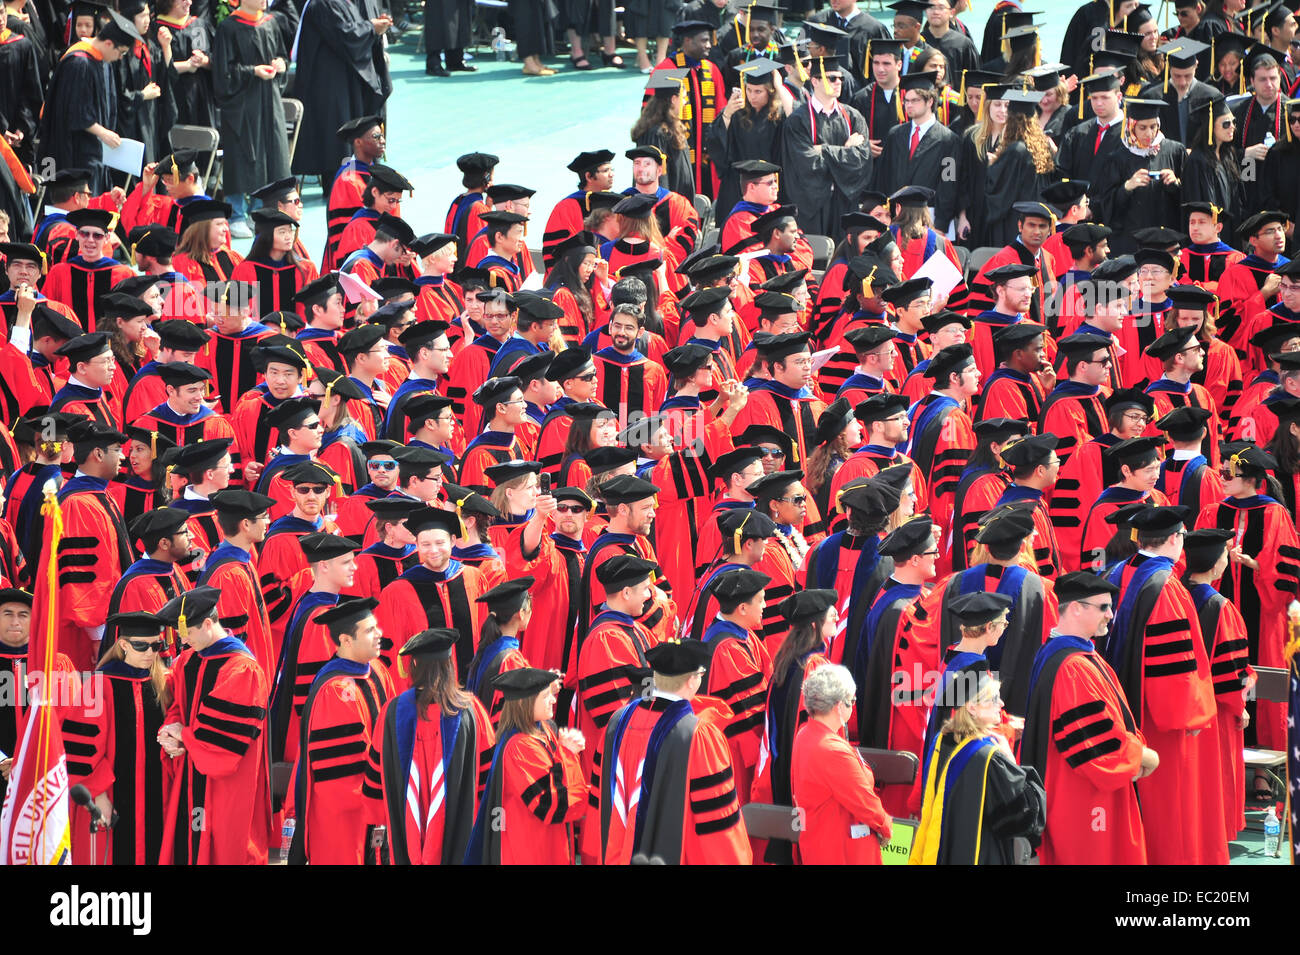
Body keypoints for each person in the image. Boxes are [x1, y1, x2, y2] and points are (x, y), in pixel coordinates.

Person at [1102, 504, 1226, 864]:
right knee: (1168, 808)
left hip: (1119, 703)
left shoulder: (1116, 573)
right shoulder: (1167, 585)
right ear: (1174, 539)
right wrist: (1188, 718)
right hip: (1159, 721)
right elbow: (1174, 666)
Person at [583, 638, 752, 864]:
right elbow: (717, 825)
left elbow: (599, 803)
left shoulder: (617, 722)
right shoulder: (698, 736)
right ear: (693, 681)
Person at [156, 585, 273, 865]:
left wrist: (182, 735)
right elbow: (177, 708)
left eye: (189, 634)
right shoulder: (189, 661)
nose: (184, 643)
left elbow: (223, 744)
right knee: (190, 842)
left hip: (227, 784)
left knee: (223, 848)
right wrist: (170, 731)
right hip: (191, 774)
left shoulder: (242, 670)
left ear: (208, 624)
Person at [362, 628, 496, 864]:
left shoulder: (391, 713)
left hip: (404, 831)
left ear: (413, 666)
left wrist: (381, 820)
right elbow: (487, 782)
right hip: (460, 830)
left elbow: (376, 785)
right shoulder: (472, 712)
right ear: (449, 665)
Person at [289, 596, 395, 865]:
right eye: (369, 630)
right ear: (346, 640)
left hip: (375, 803)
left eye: (376, 626)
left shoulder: (378, 671)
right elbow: (342, 771)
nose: (379, 634)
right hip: (346, 815)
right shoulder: (335, 691)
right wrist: (378, 798)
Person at [61, 610, 168, 864]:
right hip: (110, 795)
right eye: (142, 646)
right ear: (123, 645)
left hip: (155, 796)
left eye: (156, 645)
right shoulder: (99, 684)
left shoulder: (161, 683)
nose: (150, 653)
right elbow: (80, 750)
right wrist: (99, 797)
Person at [912, 668, 1045, 865]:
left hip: (942, 851)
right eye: (993, 699)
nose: (1001, 703)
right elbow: (1025, 817)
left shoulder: (943, 740)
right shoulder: (989, 757)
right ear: (972, 707)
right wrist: (1011, 759)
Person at [464, 668, 586, 864]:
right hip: (531, 850)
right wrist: (569, 755)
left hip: (545, 844)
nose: (554, 700)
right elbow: (553, 805)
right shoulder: (520, 746)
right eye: (546, 696)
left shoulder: (542, 729)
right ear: (524, 702)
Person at [1182, 527, 1256, 841]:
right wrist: (1242, 704)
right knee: (1215, 780)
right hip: (1216, 712)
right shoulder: (1221, 607)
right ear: (1217, 565)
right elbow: (1233, 669)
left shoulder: (1174, 594)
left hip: (1184, 706)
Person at [789, 663, 892, 864]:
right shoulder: (832, 750)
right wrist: (885, 826)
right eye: (852, 701)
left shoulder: (805, 735)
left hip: (820, 844)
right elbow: (865, 802)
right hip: (842, 850)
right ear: (839, 706)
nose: (853, 706)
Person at [40, 9, 142, 194]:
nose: (120, 58)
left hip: (88, 148)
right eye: (122, 53)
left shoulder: (97, 61)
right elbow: (76, 111)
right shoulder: (79, 63)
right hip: (72, 150)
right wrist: (103, 132)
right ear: (109, 43)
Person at [292, 0, 390, 179]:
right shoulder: (323, 4)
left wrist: (374, 27)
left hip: (347, 78)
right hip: (328, 82)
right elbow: (345, 35)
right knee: (334, 139)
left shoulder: (347, 3)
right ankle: (336, 185)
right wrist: (371, 28)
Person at [781, 55, 872, 237]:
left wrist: (823, 149)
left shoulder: (853, 117)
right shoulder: (798, 121)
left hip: (844, 202)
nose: (838, 82)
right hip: (812, 206)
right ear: (815, 81)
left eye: (840, 78)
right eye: (832, 78)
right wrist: (846, 150)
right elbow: (805, 163)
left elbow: (861, 160)